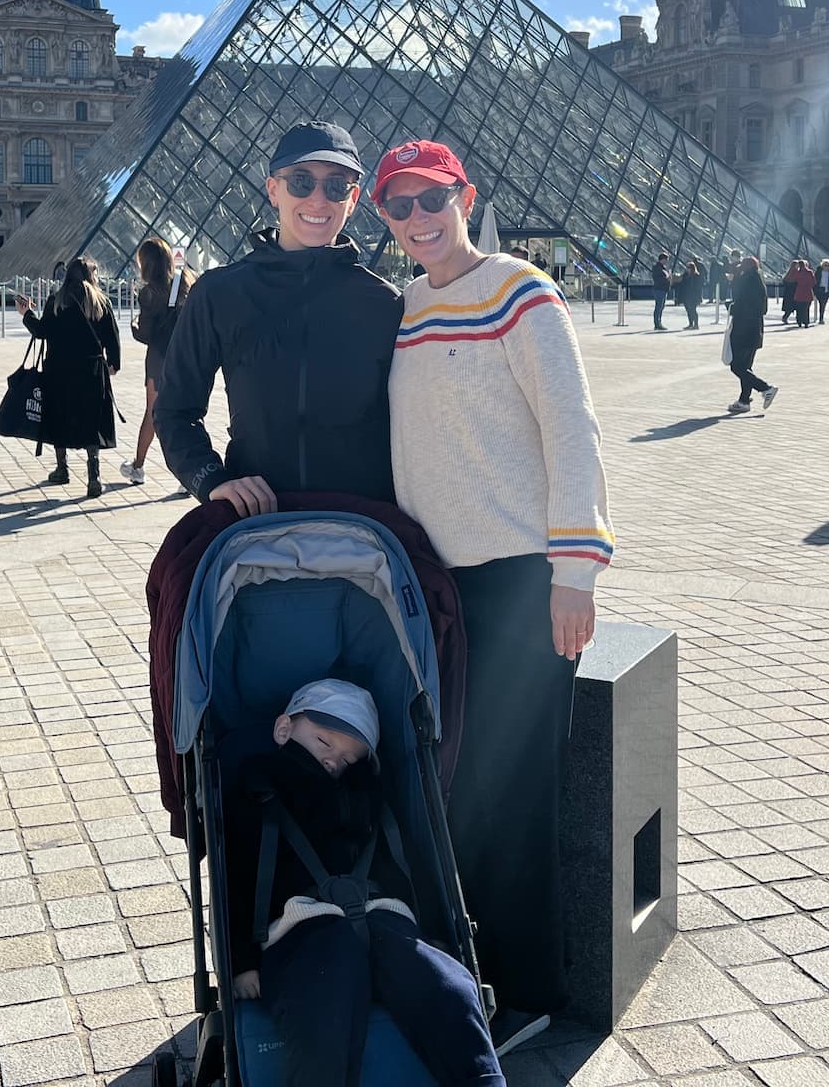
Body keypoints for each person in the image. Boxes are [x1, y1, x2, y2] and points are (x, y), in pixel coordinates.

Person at [375, 138, 610, 1053]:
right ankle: (467, 968)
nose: (417, 219)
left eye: (432, 198)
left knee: (512, 794)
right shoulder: (405, 307)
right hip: (437, 586)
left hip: (518, 582)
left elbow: (572, 426)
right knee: (457, 791)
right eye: (398, 206)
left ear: (464, 194)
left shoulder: (521, 289)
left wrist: (573, 572)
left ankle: (526, 991)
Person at [222, 678, 505, 1087]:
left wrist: (439, 934)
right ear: (284, 729)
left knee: (447, 984)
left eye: (350, 759)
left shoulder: (371, 795)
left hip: (386, 915)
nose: (335, 761)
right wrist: (241, 961)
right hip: (302, 927)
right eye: (324, 742)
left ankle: (482, 1080)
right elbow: (238, 874)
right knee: (326, 990)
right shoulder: (260, 789)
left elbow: (412, 863)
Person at [155, 121, 401, 514]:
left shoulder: (386, 304)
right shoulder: (219, 293)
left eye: (336, 186)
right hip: (258, 522)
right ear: (274, 190)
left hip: (362, 529)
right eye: (301, 182)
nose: (318, 199)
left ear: (352, 200)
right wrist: (212, 480)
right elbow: (174, 411)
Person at [17, 256, 122, 498]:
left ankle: (62, 469)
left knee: (58, 417)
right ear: (91, 276)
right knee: (91, 420)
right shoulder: (101, 302)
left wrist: (26, 314)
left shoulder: (57, 300)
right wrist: (114, 364)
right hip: (92, 370)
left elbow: (41, 331)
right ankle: (93, 476)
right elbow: (112, 337)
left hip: (59, 370)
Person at [123, 237, 196, 487]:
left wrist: (133, 327)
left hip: (158, 359)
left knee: (153, 413)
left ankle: (138, 466)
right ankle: (188, 474)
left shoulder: (150, 292)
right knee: (186, 413)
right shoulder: (182, 282)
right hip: (184, 357)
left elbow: (146, 333)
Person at [727, 257, 779, 414]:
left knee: (736, 366)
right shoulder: (759, 280)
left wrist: (731, 306)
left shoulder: (747, 280)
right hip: (755, 329)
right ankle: (743, 401)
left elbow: (741, 303)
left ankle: (765, 388)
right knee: (746, 367)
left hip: (744, 329)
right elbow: (762, 308)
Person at [675, 257, 704, 329]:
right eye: (686, 267)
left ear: (692, 268)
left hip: (693, 296)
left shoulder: (696, 276)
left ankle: (696, 324)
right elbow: (681, 284)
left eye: (688, 268)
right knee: (688, 310)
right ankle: (690, 324)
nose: (687, 269)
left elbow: (698, 288)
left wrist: (699, 297)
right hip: (686, 296)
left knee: (693, 310)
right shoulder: (685, 275)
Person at [791, 259, 816, 328]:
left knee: (799, 308)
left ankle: (799, 321)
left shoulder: (797, 272)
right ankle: (806, 322)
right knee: (806, 308)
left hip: (799, 292)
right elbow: (813, 282)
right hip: (808, 292)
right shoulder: (809, 272)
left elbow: (794, 280)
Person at [650, 252, 672, 330]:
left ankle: (658, 323)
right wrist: (667, 278)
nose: (667, 261)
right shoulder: (657, 268)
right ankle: (657, 324)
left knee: (661, 307)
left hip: (663, 289)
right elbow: (658, 279)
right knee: (659, 307)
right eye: (666, 260)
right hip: (659, 289)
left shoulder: (662, 268)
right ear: (662, 259)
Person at [814, 258, 829, 324]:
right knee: (821, 303)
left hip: (827, 290)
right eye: (825, 265)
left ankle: (821, 318)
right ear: (822, 265)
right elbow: (815, 280)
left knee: (823, 305)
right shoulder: (818, 271)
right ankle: (821, 318)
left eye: (828, 265)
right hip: (820, 290)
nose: (827, 267)